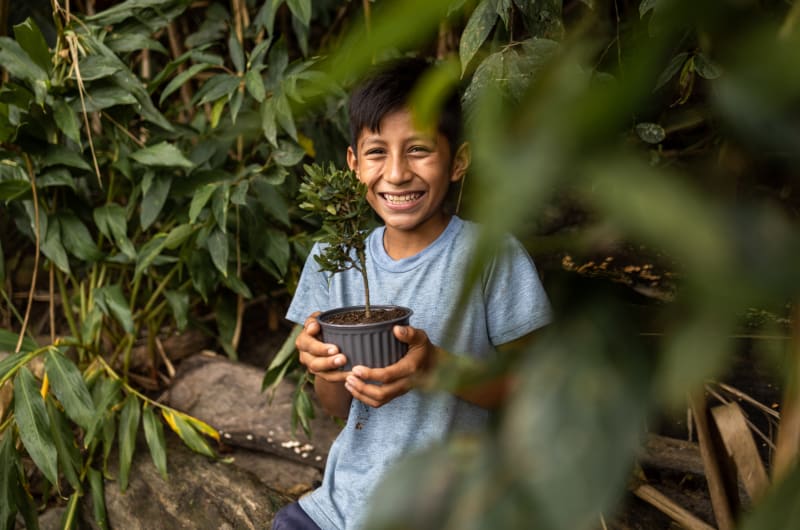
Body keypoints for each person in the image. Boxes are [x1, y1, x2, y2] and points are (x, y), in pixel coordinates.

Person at [272, 56, 552, 530]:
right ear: (354, 164)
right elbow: (337, 407)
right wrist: (323, 367)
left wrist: (436, 367)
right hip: (341, 509)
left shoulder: (492, 255)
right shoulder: (333, 258)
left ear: (458, 161)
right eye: (378, 152)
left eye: (419, 149)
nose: (397, 174)